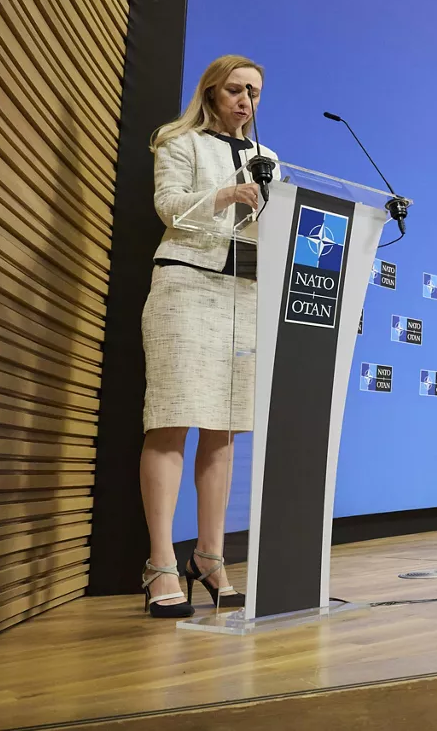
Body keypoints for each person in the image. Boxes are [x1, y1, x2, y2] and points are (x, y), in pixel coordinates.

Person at [138, 55, 273, 617]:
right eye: (238, 90)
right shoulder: (180, 141)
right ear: (213, 92)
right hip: (186, 286)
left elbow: (272, 225)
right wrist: (224, 196)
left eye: (256, 93)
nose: (247, 101)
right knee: (171, 419)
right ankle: (161, 562)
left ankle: (211, 557)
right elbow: (168, 207)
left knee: (223, 429)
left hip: (243, 292)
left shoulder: (267, 159)